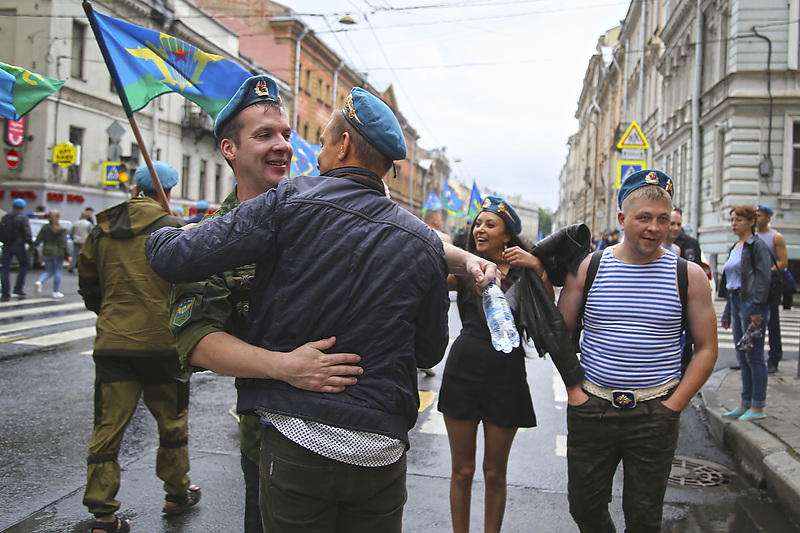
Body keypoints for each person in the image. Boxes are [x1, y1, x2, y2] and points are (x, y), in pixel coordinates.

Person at [147, 87, 492, 533]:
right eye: (266, 135)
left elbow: (171, 257)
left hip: (296, 437)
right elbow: (427, 351)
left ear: (344, 145)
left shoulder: (290, 202)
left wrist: (166, 230)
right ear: (230, 149)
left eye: (318, 138)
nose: (294, 148)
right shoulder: (420, 238)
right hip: (380, 448)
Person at [170, 74, 364, 533]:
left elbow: (397, 230)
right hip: (271, 441)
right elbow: (196, 339)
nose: (282, 145)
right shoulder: (210, 240)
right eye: (263, 135)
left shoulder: (319, 207)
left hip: (354, 433)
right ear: (229, 149)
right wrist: (285, 367)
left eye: (284, 134)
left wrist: (468, 261)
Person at [557, 169, 717, 533]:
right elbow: (560, 335)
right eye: (643, 217)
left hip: (654, 412)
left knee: (645, 518)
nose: (654, 228)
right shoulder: (590, 268)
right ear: (622, 219)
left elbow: (707, 348)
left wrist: (673, 405)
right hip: (593, 408)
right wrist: (574, 391)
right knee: (584, 506)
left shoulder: (688, 275)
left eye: (663, 219)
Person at [79, 162, 200, 533]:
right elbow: (192, 287)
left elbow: (89, 286)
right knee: (172, 422)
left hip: (113, 342)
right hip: (162, 344)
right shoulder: (175, 229)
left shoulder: (100, 231)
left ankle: (103, 515)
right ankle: (177, 492)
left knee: (108, 426)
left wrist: (113, 316)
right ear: (166, 191)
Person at [438, 196, 549, 533]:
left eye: (490, 224)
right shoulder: (463, 269)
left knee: (495, 473)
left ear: (507, 236)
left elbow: (548, 311)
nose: (480, 229)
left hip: (507, 376)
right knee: (462, 471)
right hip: (463, 370)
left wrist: (537, 266)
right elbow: (430, 259)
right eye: (478, 223)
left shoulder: (524, 275)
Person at [720, 205, 772, 421]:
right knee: (742, 356)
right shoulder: (736, 246)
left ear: (752, 222)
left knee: (755, 356)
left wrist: (757, 309)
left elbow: (763, 279)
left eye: (739, 219)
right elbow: (732, 281)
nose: (734, 223)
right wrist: (726, 313)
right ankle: (745, 403)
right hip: (736, 301)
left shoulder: (756, 246)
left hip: (752, 304)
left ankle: (758, 406)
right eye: (732, 219)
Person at [754, 204, 788, 373]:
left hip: (770, 287)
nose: (757, 218)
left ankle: (774, 358)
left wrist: (766, 273)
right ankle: (752, 357)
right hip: (753, 286)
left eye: (759, 215)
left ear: (767, 217)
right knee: (751, 323)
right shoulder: (751, 235)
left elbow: (783, 262)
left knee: (772, 323)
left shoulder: (776, 237)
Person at [33, 209, 70, 298]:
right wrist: (67, 255)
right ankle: (56, 291)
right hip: (58, 252)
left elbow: (38, 239)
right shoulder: (61, 229)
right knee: (58, 271)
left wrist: (32, 248)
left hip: (47, 251)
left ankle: (40, 282)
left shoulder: (45, 228)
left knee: (48, 271)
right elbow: (63, 243)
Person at [1, 198, 33, 301]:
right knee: (24, 264)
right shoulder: (23, 218)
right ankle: (18, 288)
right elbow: (27, 233)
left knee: (5, 268)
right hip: (18, 245)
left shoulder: (6, 217)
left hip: (6, 245)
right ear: (22, 208)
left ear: (13, 206)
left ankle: (5, 291)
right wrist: (31, 245)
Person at [69, 207, 95, 273]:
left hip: (76, 240)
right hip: (84, 241)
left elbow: (72, 232)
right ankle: (83, 267)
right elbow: (91, 232)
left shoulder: (76, 223)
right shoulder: (88, 224)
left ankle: (72, 266)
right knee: (84, 255)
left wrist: (73, 238)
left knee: (75, 254)